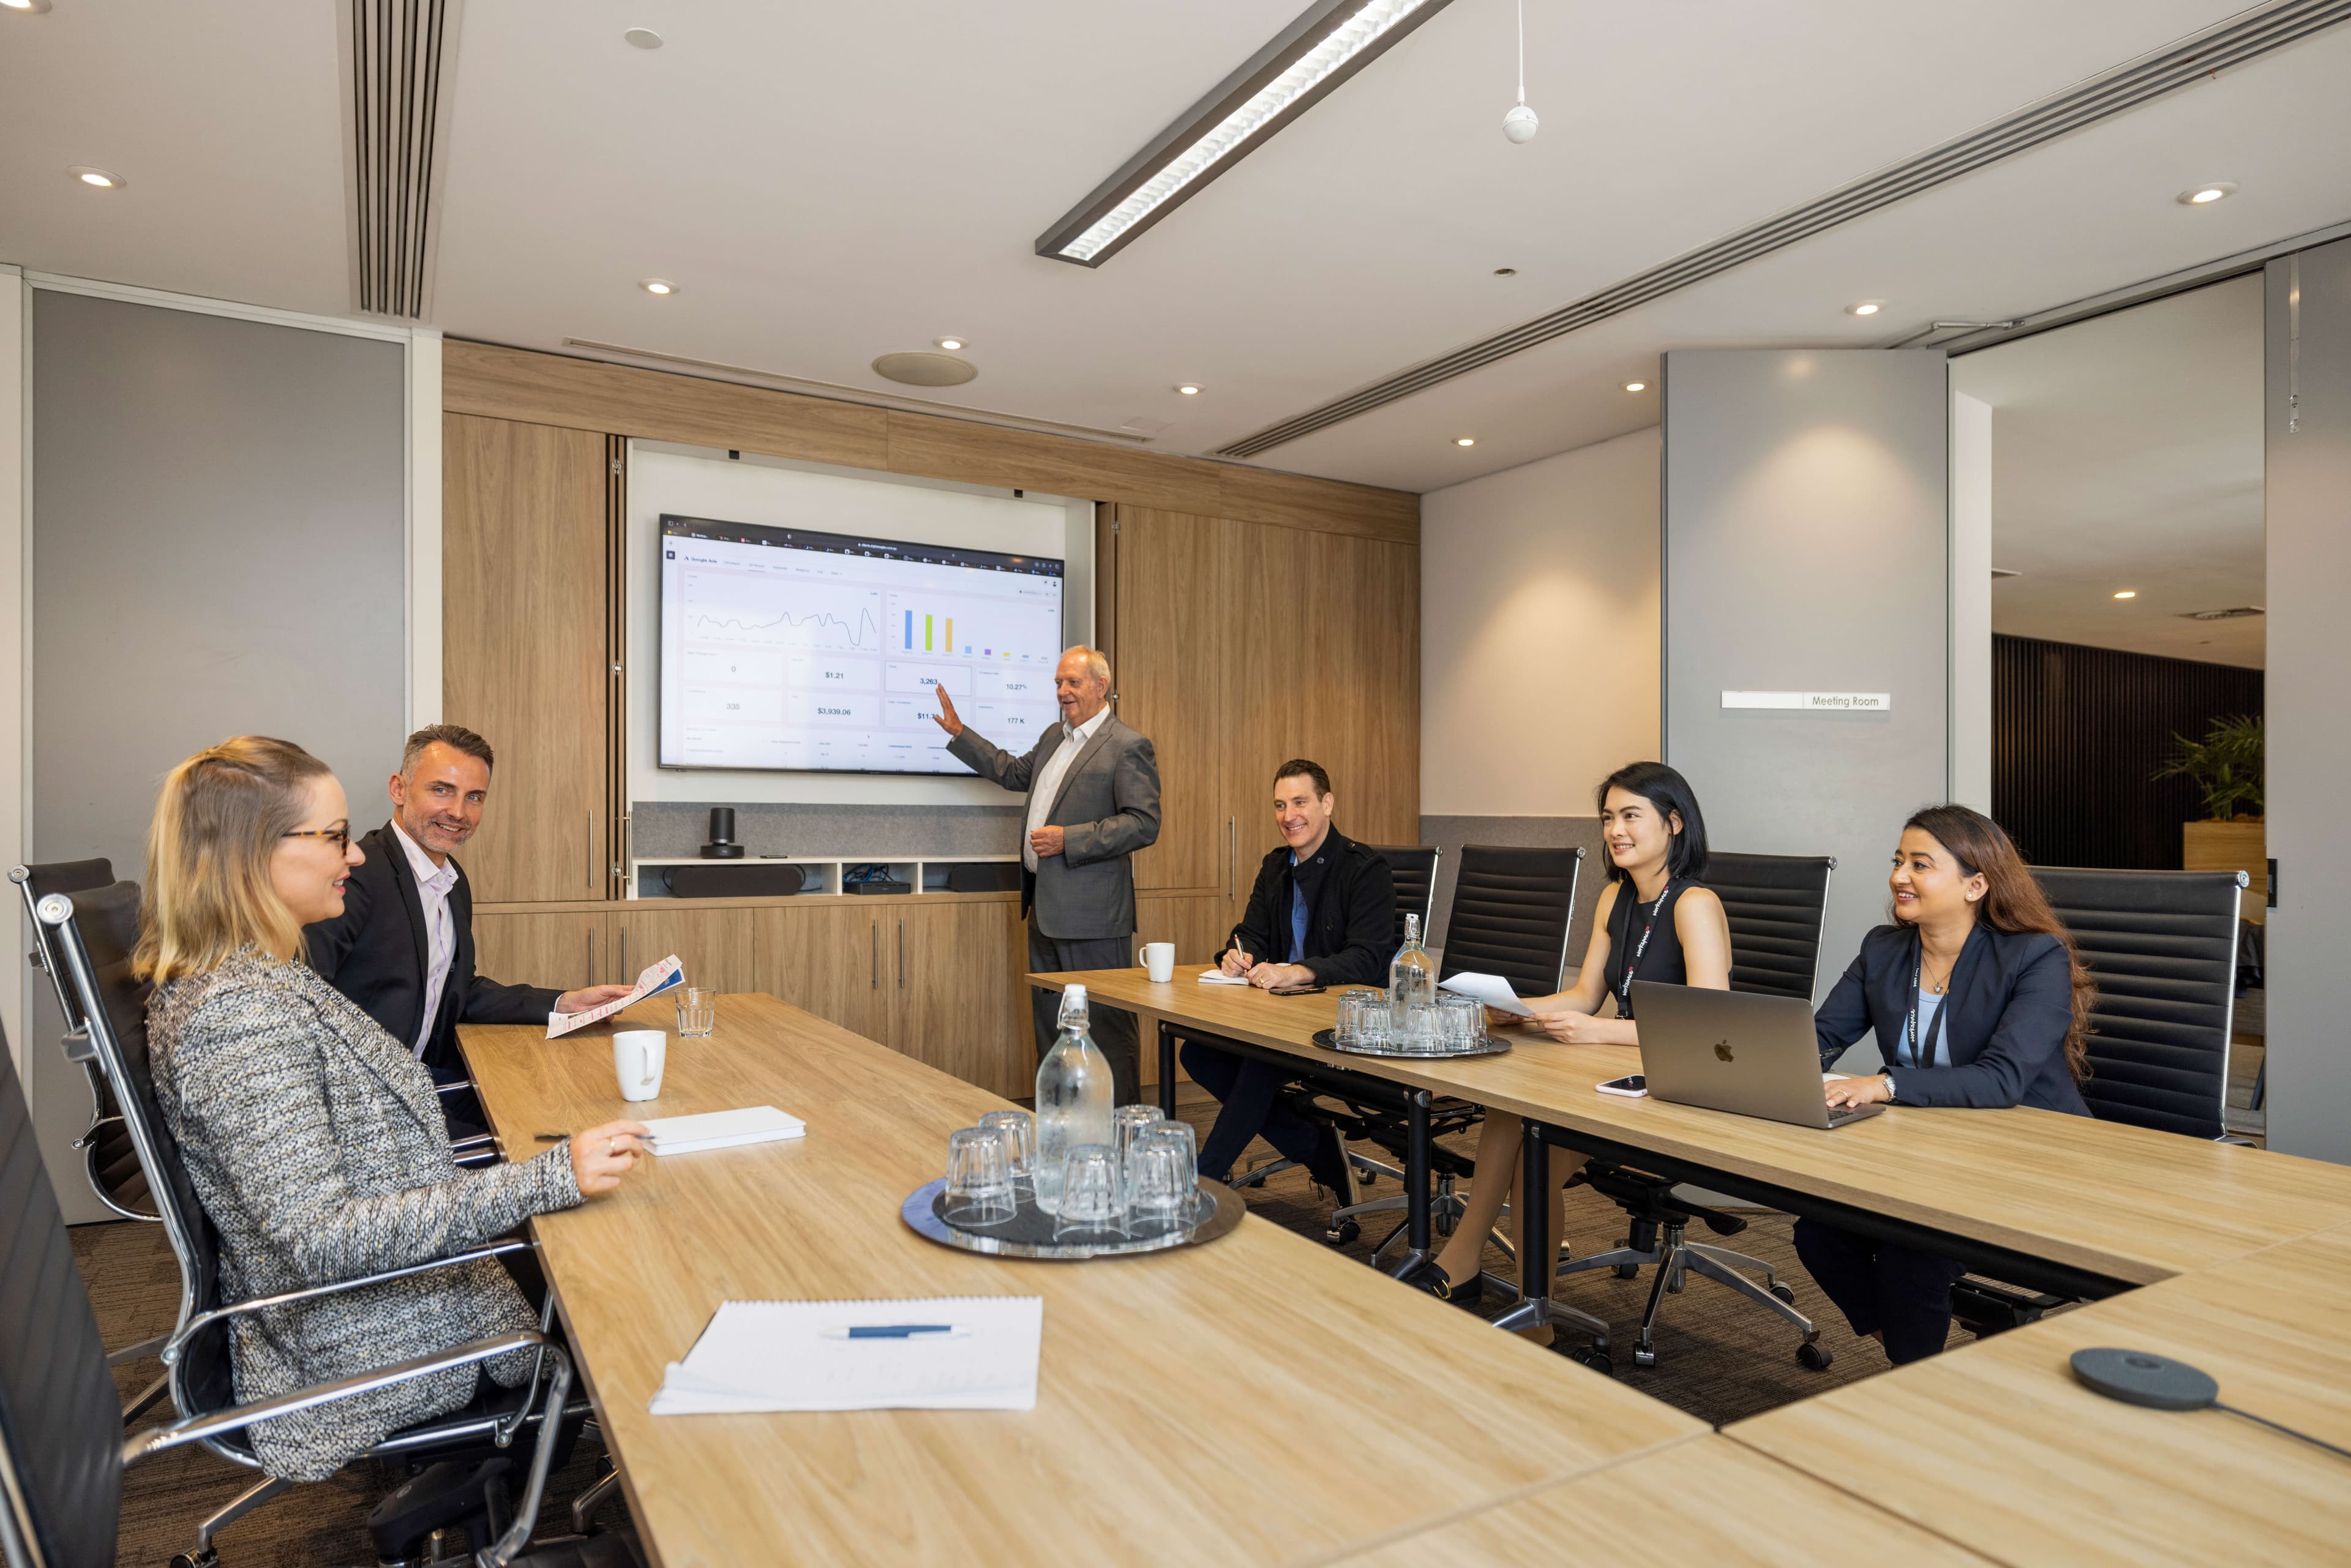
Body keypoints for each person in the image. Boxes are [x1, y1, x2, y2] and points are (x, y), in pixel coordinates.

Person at [137, 736, 648, 1481]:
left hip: (386, 1291)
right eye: (335, 836)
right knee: (605, 1291)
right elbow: (318, 1239)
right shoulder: (240, 1014)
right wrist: (548, 1175)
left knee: (584, 1257)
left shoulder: (257, 973)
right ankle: (496, 1493)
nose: (353, 856)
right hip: (368, 1332)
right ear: (254, 852)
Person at [1410, 762, 1731, 1311]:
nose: (1615, 830)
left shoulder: (1695, 904)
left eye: (1632, 815)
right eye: (1608, 817)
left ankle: (1518, 1306)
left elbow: (1707, 1028)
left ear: (1675, 823)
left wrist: (1598, 1032)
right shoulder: (1616, 897)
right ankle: (1473, 1268)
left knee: (1530, 1163)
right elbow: (1584, 995)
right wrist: (1519, 1011)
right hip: (1619, 1075)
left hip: (1679, 1086)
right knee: (1509, 1108)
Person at [1797, 803, 2094, 1364]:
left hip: (2032, 1156)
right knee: (1820, 1234)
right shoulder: (1884, 950)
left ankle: (1917, 1380)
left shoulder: (2034, 956)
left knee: (1914, 1255)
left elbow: (2003, 1079)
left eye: (1921, 864)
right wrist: (1769, 1065)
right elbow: (1821, 1037)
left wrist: (1884, 1085)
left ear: (1975, 884)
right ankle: (1916, 1362)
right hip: (1929, 1155)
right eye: (1898, 861)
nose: (1899, 877)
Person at [306, 724, 634, 1133]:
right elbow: (305, 1007)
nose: (458, 812)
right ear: (399, 789)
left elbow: (459, 991)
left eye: (474, 797)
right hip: (368, 1108)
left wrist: (564, 1003)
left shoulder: (452, 881)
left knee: (572, 1108)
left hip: (422, 1082)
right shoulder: (355, 877)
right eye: (442, 790)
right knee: (536, 1143)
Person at [933, 647, 1161, 1105]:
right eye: (1058, 683)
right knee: (1052, 1033)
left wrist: (1069, 839)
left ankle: (1122, 1139)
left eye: (1072, 683)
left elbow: (1144, 823)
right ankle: (1061, 1129)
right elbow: (1013, 771)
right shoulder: (1054, 737)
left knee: (1108, 1036)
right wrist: (961, 735)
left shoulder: (1126, 745)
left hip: (1094, 921)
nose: (1062, 692)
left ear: (1101, 685)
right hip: (1044, 913)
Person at [1182, 760, 1397, 1188]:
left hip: (1346, 1021)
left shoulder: (1365, 869)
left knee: (1262, 1061)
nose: (1288, 815)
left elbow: (1369, 959)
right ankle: (1315, 1148)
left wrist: (1299, 971)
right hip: (1282, 1017)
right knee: (1197, 1053)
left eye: (1300, 802)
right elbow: (1251, 934)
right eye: (1280, 805)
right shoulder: (1276, 866)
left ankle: (1201, 1184)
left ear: (1327, 803)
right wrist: (1235, 954)